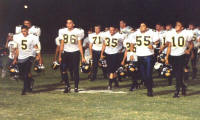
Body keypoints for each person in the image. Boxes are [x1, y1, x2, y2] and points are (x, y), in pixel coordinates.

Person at [165, 21, 193, 98]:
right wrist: (167, 57)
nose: (176, 26)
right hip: (173, 56)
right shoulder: (171, 33)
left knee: (179, 73)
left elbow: (191, 44)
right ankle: (183, 86)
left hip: (182, 55)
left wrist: (189, 50)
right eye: (176, 25)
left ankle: (177, 91)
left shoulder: (186, 33)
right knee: (176, 74)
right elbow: (169, 46)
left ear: (182, 27)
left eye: (178, 25)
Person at [131, 22, 159, 97]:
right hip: (139, 56)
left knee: (148, 74)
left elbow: (157, 42)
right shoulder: (136, 33)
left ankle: (149, 90)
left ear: (146, 27)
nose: (141, 27)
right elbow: (132, 44)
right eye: (140, 26)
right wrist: (132, 54)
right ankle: (149, 86)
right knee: (143, 76)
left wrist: (153, 46)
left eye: (143, 26)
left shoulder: (152, 32)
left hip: (149, 56)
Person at [59, 19, 85, 93]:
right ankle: (67, 86)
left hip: (75, 52)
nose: (68, 24)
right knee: (63, 70)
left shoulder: (78, 31)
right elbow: (62, 44)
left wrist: (82, 56)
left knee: (75, 70)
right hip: (66, 52)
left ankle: (76, 87)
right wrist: (60, 55)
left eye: (70, 23)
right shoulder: (62, 31)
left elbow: (79, 44)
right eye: (67, 23)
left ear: (73, 24)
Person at [13, 26, 40, 95]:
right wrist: (15, 58)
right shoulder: (18, 37)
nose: (23, 33)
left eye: (25, 31)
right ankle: (30, 81)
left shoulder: (32, 37)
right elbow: (17, 49)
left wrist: (38, 55)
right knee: (21, 74)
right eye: (22, 31)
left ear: (28, 30)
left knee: (26, 72)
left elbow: (36, 47)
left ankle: (24, 89)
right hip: (21, 57)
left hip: (30, 56)